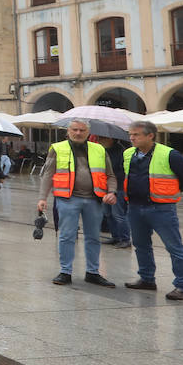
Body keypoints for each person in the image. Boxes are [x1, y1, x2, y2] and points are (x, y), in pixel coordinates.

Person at [36, 118, 118, 287]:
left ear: (88, 132)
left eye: (82, 130)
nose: (78, 133)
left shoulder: (99, 149)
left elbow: (110, 175)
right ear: (68, 131)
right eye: (75, 129)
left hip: (94, 199)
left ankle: (93, 272)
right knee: (67, 236)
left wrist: (112, 191)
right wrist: (42, 198)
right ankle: (65, 271)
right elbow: (47, 174)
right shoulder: (57, 148)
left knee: (93, 237)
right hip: (67, 199)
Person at [122, 120, 183, 300]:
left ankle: (182, 286)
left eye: (136, 135)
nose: (132, 138)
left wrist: (168, 192)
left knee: (174, 247)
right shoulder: (128, 153)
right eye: (130, 134)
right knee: (141, 245)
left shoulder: (170, 154)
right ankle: (147, 279)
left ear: (150, 136)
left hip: (161, 207)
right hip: (134, 206)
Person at [99, 135, 131, 246]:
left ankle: (125, 239)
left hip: (118, 187)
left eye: (102, 138)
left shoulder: (120, 151)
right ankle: (116, 236)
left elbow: (117, 169)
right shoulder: (103, 150)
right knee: (108, 213)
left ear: (111, 139)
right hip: (105, 188)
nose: (99, 140)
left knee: (118, 214)